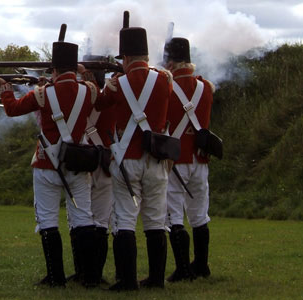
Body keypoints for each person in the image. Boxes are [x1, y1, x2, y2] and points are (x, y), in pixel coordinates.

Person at [0, 37, 101, 288]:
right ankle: (90, 276)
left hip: (47, 164)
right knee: (84, 218)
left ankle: (55, 277)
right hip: (79, 162)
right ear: (75, 68)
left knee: (48, 220)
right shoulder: (89, 90)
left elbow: (12, 109)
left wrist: (5, 88)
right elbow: (98, 97)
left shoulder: (42, 94)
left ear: (54, 69)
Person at [95, 26, 173, 290]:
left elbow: (100, 104)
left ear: (125, 57)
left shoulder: (117, 85)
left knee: (125, 219)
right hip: (157, 159)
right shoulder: (165, 79)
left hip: (127, 157)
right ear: (146, 55)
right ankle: (156, 279)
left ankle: (127, 280)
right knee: (155, 219)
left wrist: (109, 83)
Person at [163, 37, 215, 282]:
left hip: (176, 158)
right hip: (199, 158)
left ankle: (183, 269)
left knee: (174, 215)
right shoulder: (206, 87)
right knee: (199, 215)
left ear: (170, 62)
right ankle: (202, 265)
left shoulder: (167, 86)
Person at [66, 55, 116, 286]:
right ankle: (95, 275)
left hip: (82, 160)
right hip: (106, 161)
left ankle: (82, 272)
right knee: (101, 222)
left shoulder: (76, 96)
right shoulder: (111, 97)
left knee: (78, 219)